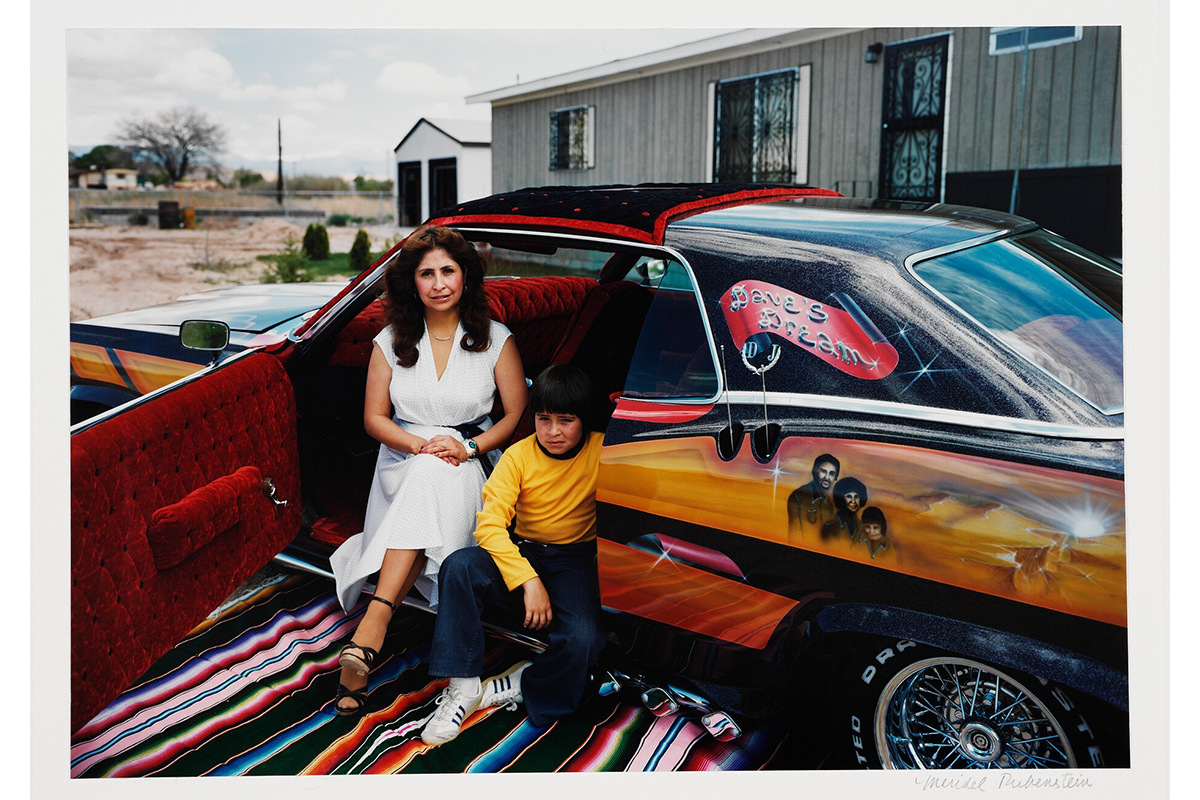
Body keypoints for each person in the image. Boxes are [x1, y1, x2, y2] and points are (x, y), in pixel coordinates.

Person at [327, 226, 528, 716]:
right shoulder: (389, 340)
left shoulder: (496, 339)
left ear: (465, 277)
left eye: (448, 271)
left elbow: (514, 415)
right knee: (425, 474)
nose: (439, 284)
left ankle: (370, 630)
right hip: (403, 460)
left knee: (433, 476)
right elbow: (374, 419)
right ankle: (374, 628)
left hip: (471, 460)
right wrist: (420, 445)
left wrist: (468, 446)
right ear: (411, 283)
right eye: (427, 274)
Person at [420, 364, 606, 746]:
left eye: (566, 421)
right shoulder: (518, 456)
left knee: (585, 638)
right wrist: (528, 580)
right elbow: (489, 526)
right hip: (523, 551)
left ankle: (527, 682)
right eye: (543, 419)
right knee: (459, 566)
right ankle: (464, 687)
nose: (553, 431)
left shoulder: (603, 451)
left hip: (574, 560)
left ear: (584, 420)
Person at [786, 454, 840, 544]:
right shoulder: (798, 496)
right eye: (823, 471)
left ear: (835, 477)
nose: (827, 477)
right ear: (814, 472)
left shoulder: (828, 502)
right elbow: (794, 536)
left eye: (831, 474)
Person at [820, 477, 868, 543]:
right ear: (841, 499)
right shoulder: (829, 528)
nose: (853, 501)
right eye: (849, 496)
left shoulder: (863, 528)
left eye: (856, 497)